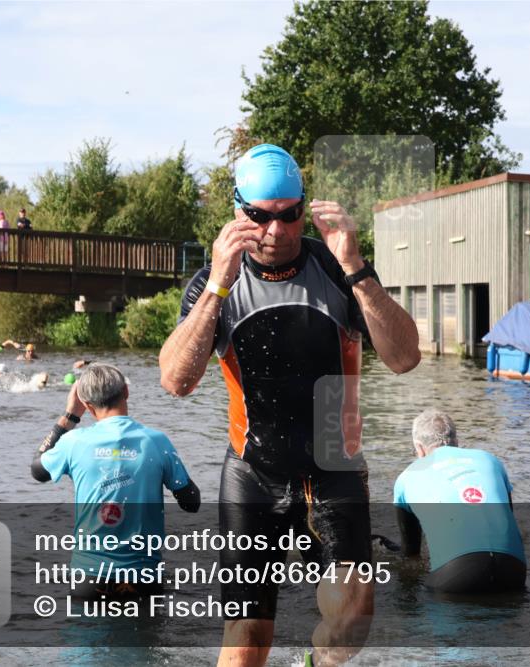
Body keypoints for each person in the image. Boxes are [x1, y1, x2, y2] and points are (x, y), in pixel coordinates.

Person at [159, 143, 420, 667]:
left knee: (352, 620)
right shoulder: (214, 282)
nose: (276, 230)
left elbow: (405, 358)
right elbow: (176, 381)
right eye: (260, 217)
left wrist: (356, 267)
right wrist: (217, 285)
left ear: (304, 207)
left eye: (289, 214)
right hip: (253, 472)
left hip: (334, 467)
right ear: (238, 211)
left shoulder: (337, 268)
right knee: (247, 640)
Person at [31, 363, 200, 598]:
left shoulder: (73, 443)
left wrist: (70, 415)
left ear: (87, 405)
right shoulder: (156, 442)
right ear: (126, 392)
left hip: (88, 579)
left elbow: (37, 471)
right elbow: (191, 503)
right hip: (143, 577)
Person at [393, 410, 527, 595]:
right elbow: (508, 520)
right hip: (514, 571)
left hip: (456, 578)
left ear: (419, 448)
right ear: (456, 441)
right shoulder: (490, 460)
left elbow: (411, 554)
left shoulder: (406, 477)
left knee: (411, 583)